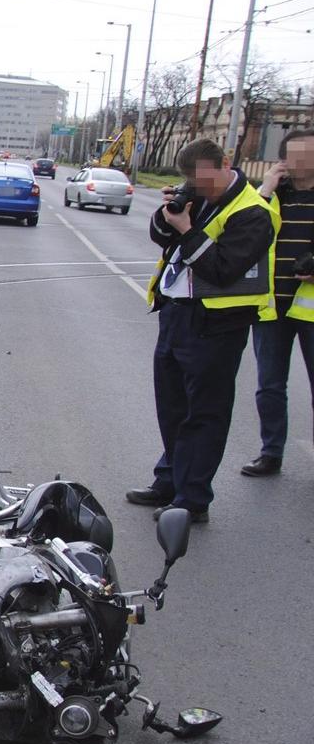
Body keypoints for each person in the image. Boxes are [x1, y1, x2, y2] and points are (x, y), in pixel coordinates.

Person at [125, 138, 277, 524]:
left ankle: (192, 499)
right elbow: (162, 237)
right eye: (193, 182)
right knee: (172, 406)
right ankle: (169, 480)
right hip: (177, 314)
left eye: (205, 181)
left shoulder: (253, 213)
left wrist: (188, 229)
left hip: (217, 324)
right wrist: (167, 215)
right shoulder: (199, 195)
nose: (200, 188)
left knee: (204, 413)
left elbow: (223, 269)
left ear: (226, 163)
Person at [241, 128, 314, 477]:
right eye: (296, 154)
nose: (303, 161)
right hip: (271, 305)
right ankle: (271, 453)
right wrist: (267, 186)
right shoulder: (270, 196)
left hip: (312, 310)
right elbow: (243, 229)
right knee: (270, 385)